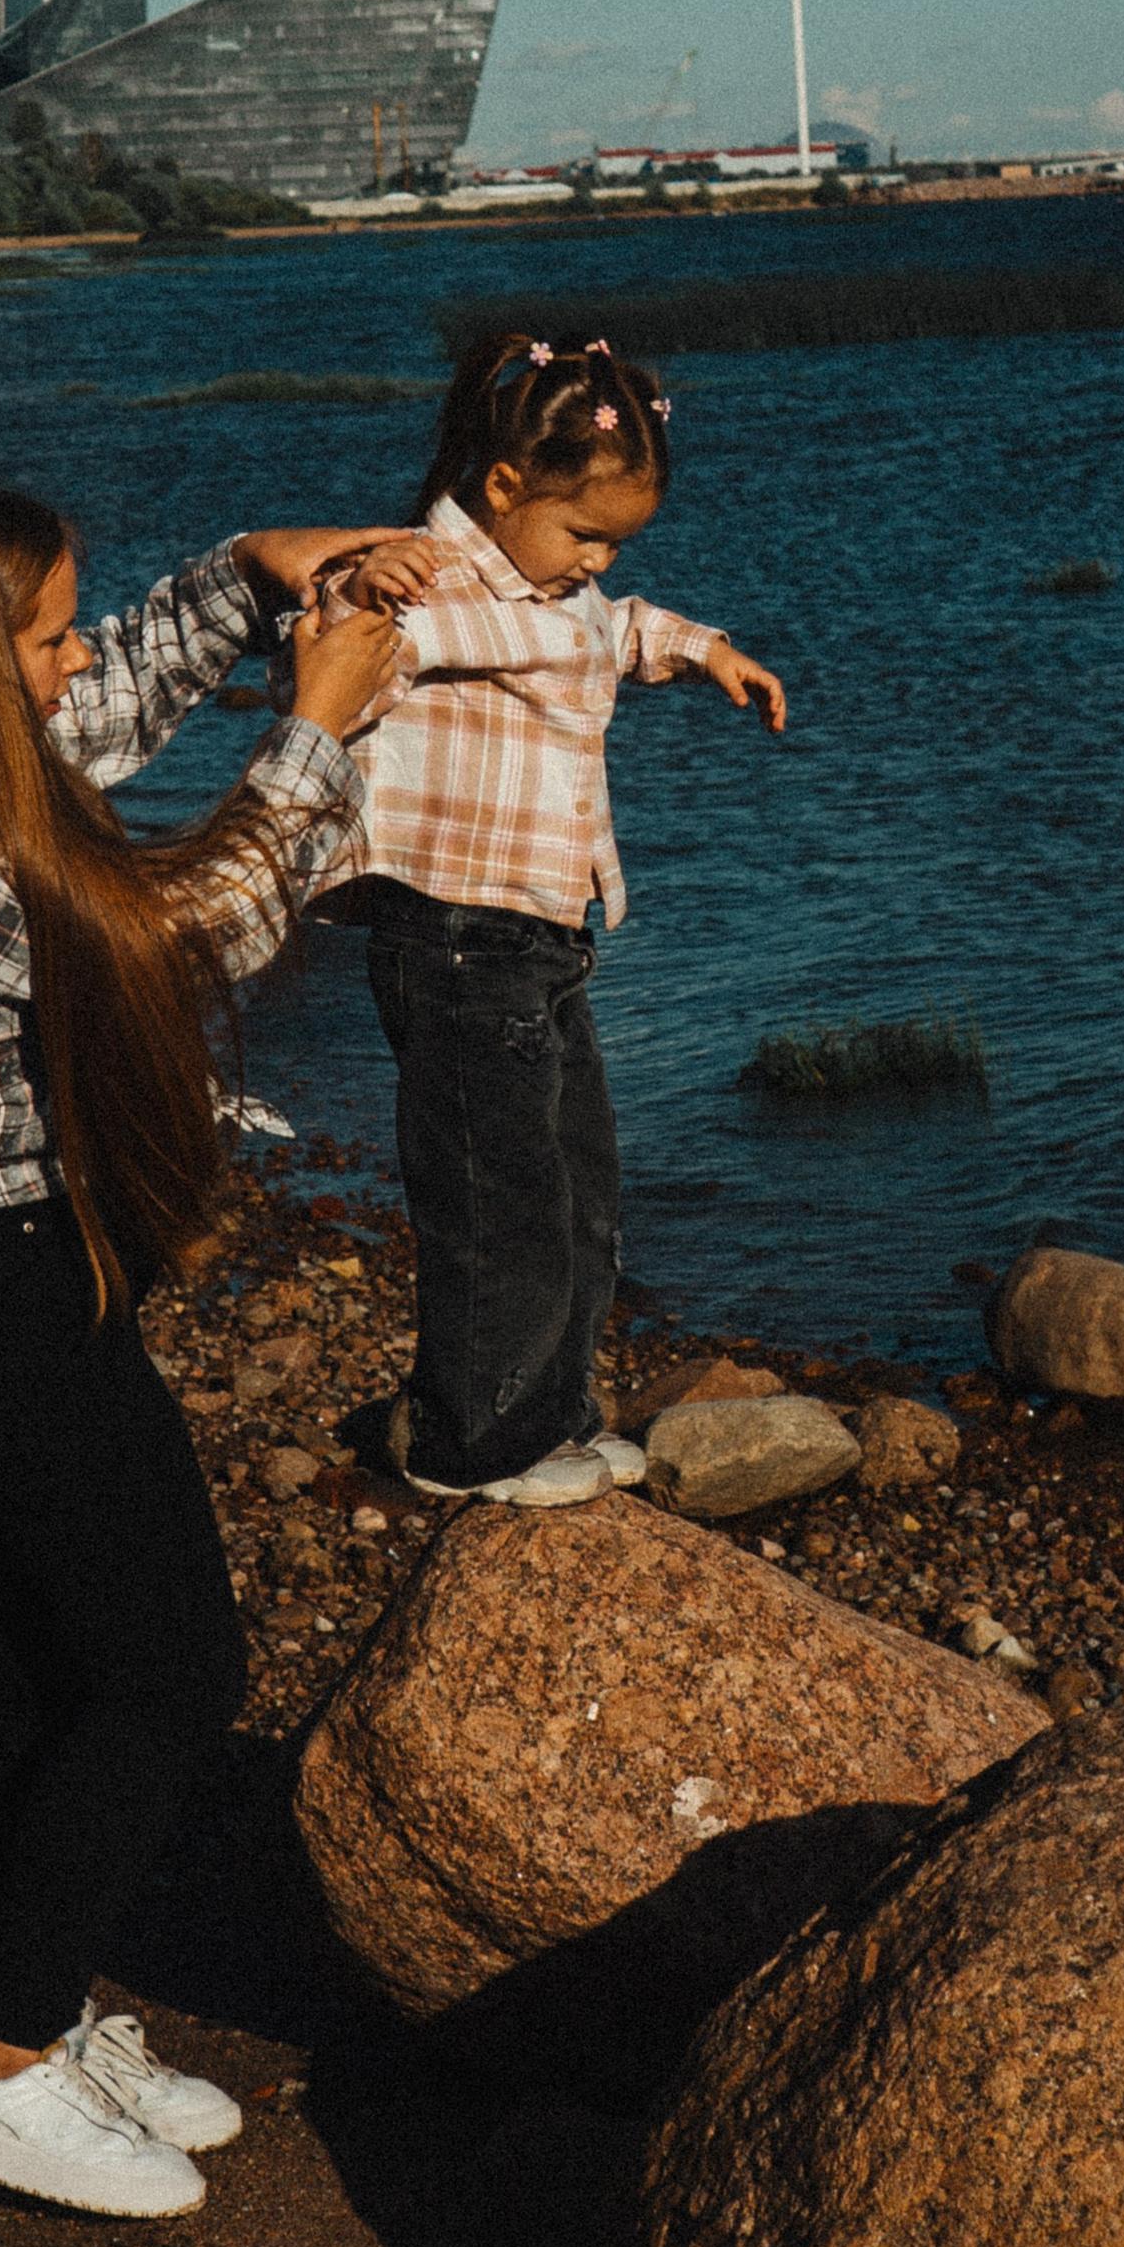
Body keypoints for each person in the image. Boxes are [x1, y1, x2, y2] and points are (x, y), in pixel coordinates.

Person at [0, 479, 400, 2220]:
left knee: (55, 1666)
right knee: (170, 1669)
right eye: (47, 630)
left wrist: (240, 576)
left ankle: (34, 2017)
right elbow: (186, 944)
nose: (73, 660)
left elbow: (99, 699)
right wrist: (319, 728)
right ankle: (2, 2069)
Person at [321, 334, 783, 1507]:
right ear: (504, 486)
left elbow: (615, 628)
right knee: (495, 1196)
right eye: (586, 534)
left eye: (616, 543)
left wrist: (704, 649)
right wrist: (348, 597)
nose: (597, 562)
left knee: (577, 1186)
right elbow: (341, 650)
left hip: (538, 939)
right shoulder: (421, 583)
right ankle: (470, 1445)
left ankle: (552, 1415)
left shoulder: (557, 592)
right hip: (452, 935)